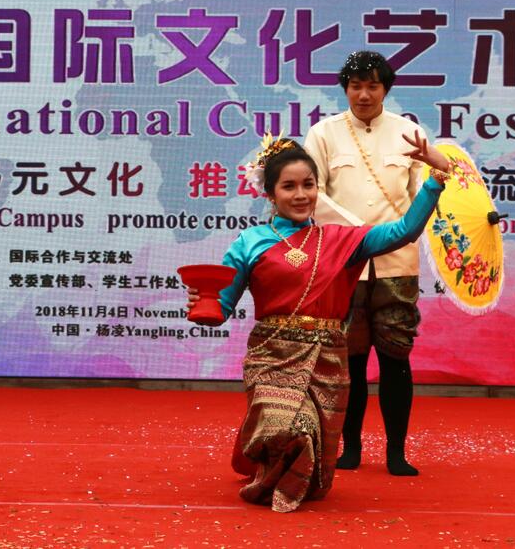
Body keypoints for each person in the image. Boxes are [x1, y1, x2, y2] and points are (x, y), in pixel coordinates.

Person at [186, 134, 449, 512]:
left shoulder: (342, 240)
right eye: (289, 186)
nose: (300, 195)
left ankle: (280, 468)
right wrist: (203, 302)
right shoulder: (250, 242)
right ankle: (269, 476)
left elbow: (404, 231)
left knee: (313, 457)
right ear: (270, 194)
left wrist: (436, 178)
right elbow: (220, 307)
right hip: (271, 357)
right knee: (289, 425)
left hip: (328, 361)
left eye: (308, 185)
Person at [303, 51, 428, 476]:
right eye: (356, 86)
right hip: (344, 261)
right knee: (349, 360)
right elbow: (312, 193)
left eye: (372, 86)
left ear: (385, 89)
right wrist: (356, 233)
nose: (363, 94)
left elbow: (422, 197)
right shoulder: (323, 133)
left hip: (398, 263)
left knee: (396, 357)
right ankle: (350, 448)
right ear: (345, 89)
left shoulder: (410, 133)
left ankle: (397, 452)